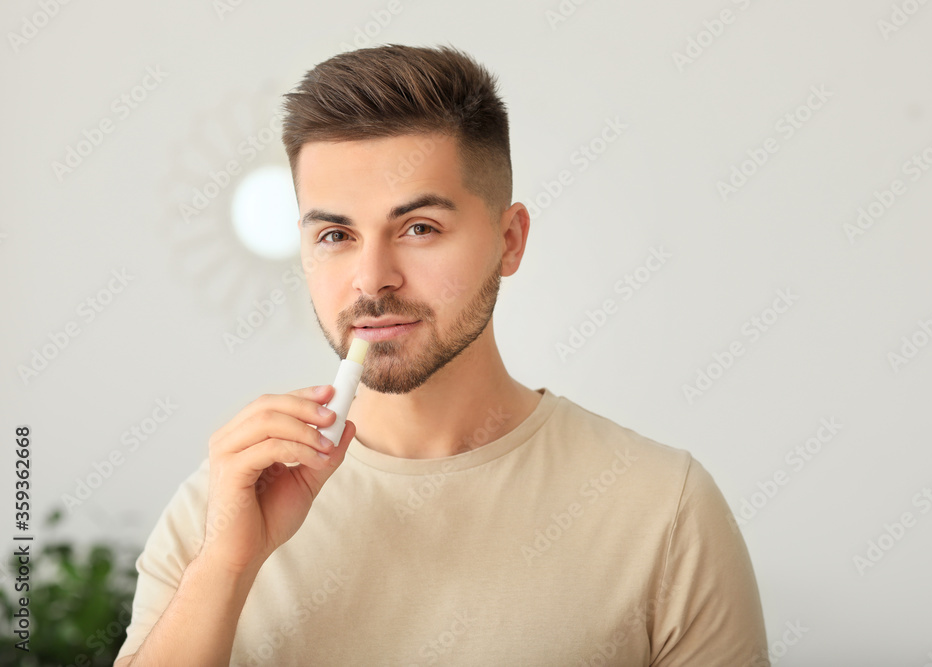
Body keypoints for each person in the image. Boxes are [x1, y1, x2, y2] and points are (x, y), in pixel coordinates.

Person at [115, 43, 769, 666]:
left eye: (419, 228)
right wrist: (227, 566)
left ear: (509, 240)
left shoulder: (664, 507)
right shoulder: (225, 503)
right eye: (337, 234)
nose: (372, 279)